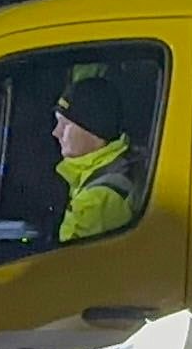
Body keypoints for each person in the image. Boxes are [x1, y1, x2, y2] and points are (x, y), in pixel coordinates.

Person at [52, 76, 145, 243]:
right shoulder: (119, 167)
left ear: (94, 131)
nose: (56, 132)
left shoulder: (97, 202)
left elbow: (71, 265)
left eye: (65, 125)